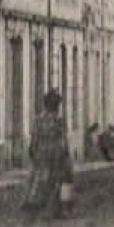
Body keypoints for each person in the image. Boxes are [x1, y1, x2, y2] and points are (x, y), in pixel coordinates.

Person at [22, 89, 74, 219]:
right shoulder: (59, 121)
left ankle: (33, 204)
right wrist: (66, 156)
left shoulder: (38, 120)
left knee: (39, 179)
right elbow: (63, 140)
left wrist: (33, 151)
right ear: (56, 106)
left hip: (41, 153)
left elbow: (34, 137)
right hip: (55, 154)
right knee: (56, 181)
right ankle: (55, 209)